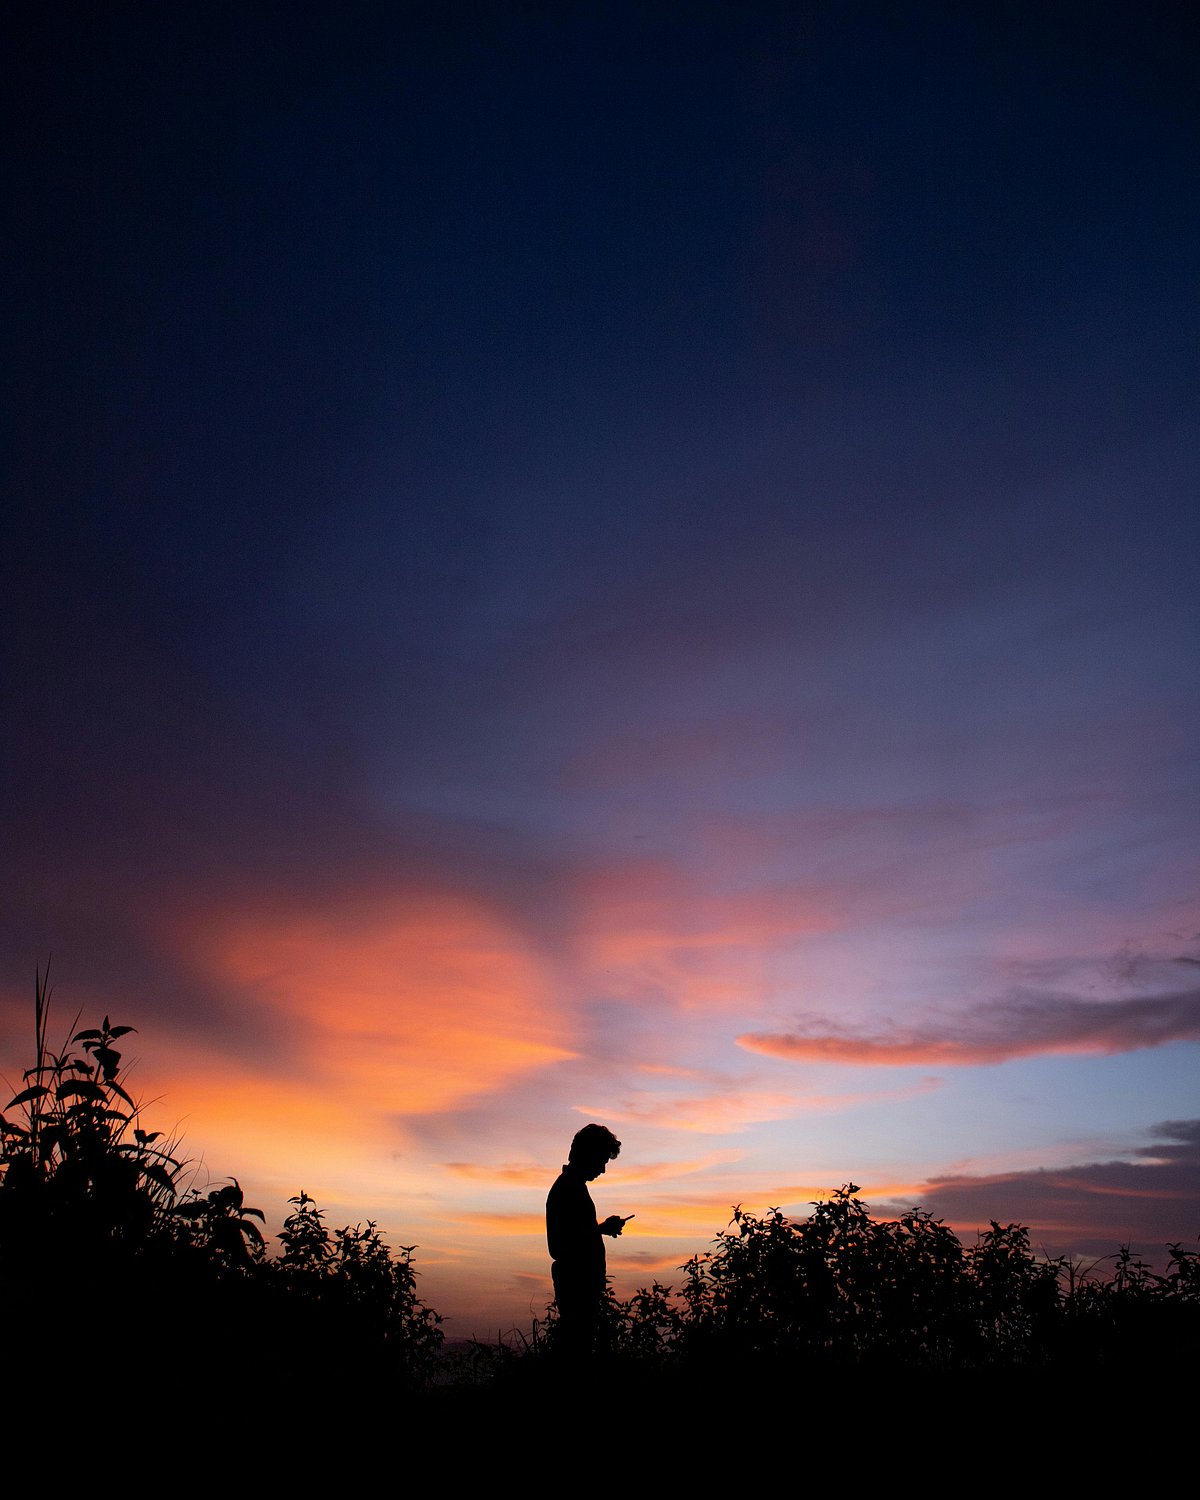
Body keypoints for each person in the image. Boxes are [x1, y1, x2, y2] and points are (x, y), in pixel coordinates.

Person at [546, 1123, 630, 1360]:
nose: (603, 1170)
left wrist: (600, 1230)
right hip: (576, 1289)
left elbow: (574, 1235)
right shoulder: (567, 1189)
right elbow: (559, 1246)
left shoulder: (572, 1188)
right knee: (575, 1353)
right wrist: (600, 1229)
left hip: (581, 1288)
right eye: (602, 1160)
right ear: (587, 1155)